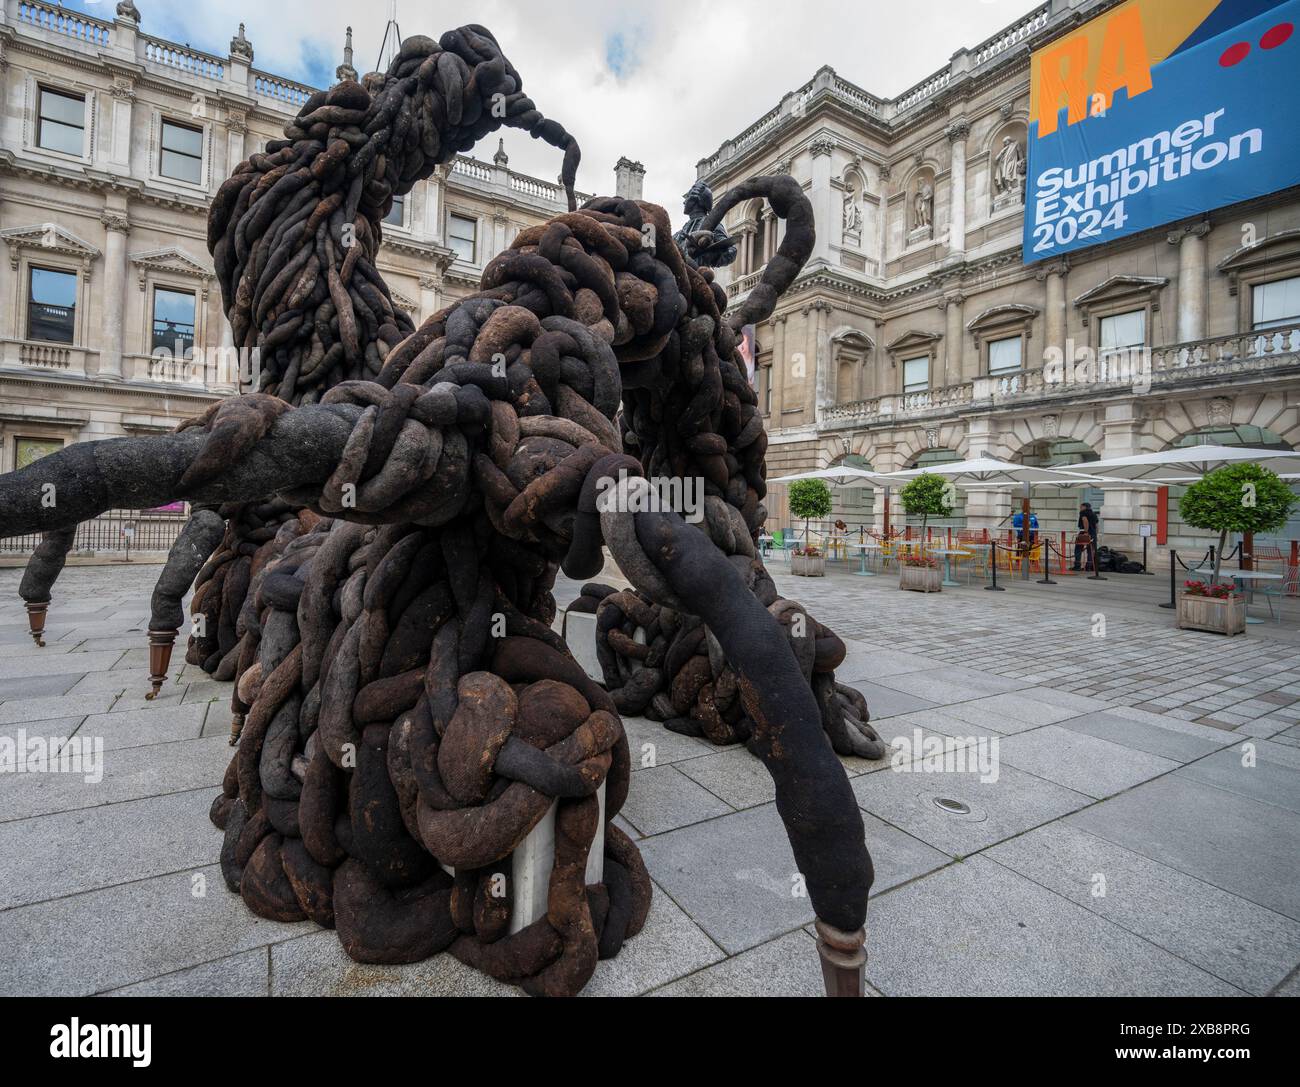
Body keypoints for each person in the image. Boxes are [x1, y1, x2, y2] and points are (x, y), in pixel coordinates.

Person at [1073, 502, 1099, 570]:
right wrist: (1095, 535)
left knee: (1078, 548)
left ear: (1084, 507)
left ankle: (1077, 565)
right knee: (1090, 550)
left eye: (1081, 507)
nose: (1080, 508)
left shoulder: (1083, 513)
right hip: (1093, 533)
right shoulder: (1094, 514)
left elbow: (1085, 521)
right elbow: (1096, 526)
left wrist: (1086, 531)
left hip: (1084, 532)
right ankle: (1089, 566)